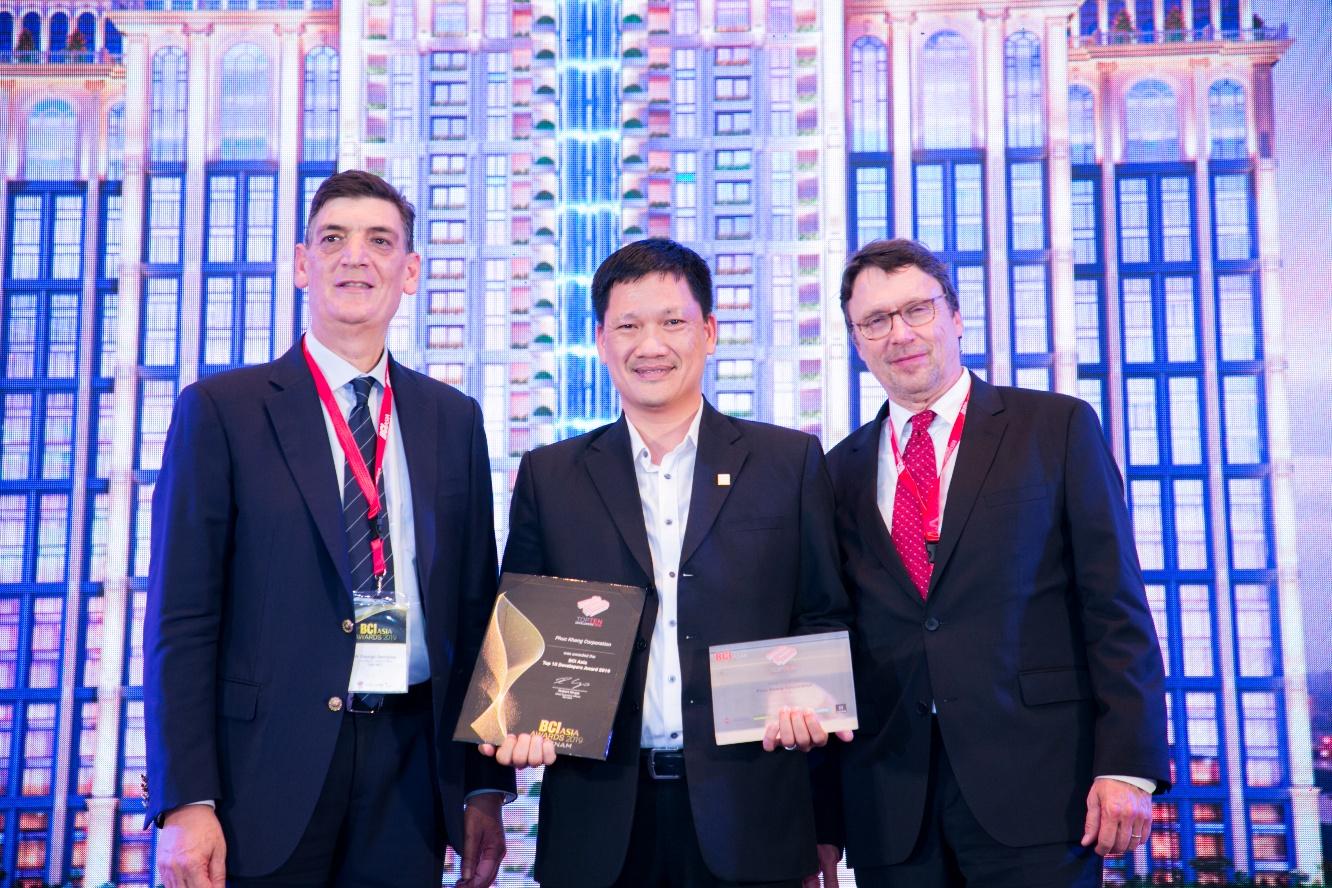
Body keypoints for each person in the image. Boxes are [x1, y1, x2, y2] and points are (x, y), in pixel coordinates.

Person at [144, 170, 514, 887]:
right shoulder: (223, 410)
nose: (355, 257)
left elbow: (475, 614)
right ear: (301, 264)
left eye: (379, 241)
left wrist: (482, 786)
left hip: (411, 773)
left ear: (409, 272)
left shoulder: (452, 419)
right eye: (333, 239)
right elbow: (181, 620)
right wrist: (185, 799)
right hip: (262, 773)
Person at [487, 238, 851, 888]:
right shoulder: (551, 476)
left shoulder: (787, 463)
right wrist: (518, 718)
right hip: (598, 824)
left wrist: (808, 703)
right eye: (628, 326)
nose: (649, 345)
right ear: (600, 341)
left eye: (672, 322)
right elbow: (519, 637)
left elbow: (823, 614)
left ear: (708, 332)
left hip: (752, 816)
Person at [826, 238, 1169, 887]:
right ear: (857, 342)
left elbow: (1114, 604)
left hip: (1041, 792)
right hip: (890, 807)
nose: (900, 333)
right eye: (875, 321)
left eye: (917, 310)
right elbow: (830, 631)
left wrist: (1127, 765)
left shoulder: (1056, 427)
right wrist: (823, 819)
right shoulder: (835, 471)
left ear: (955, 316)